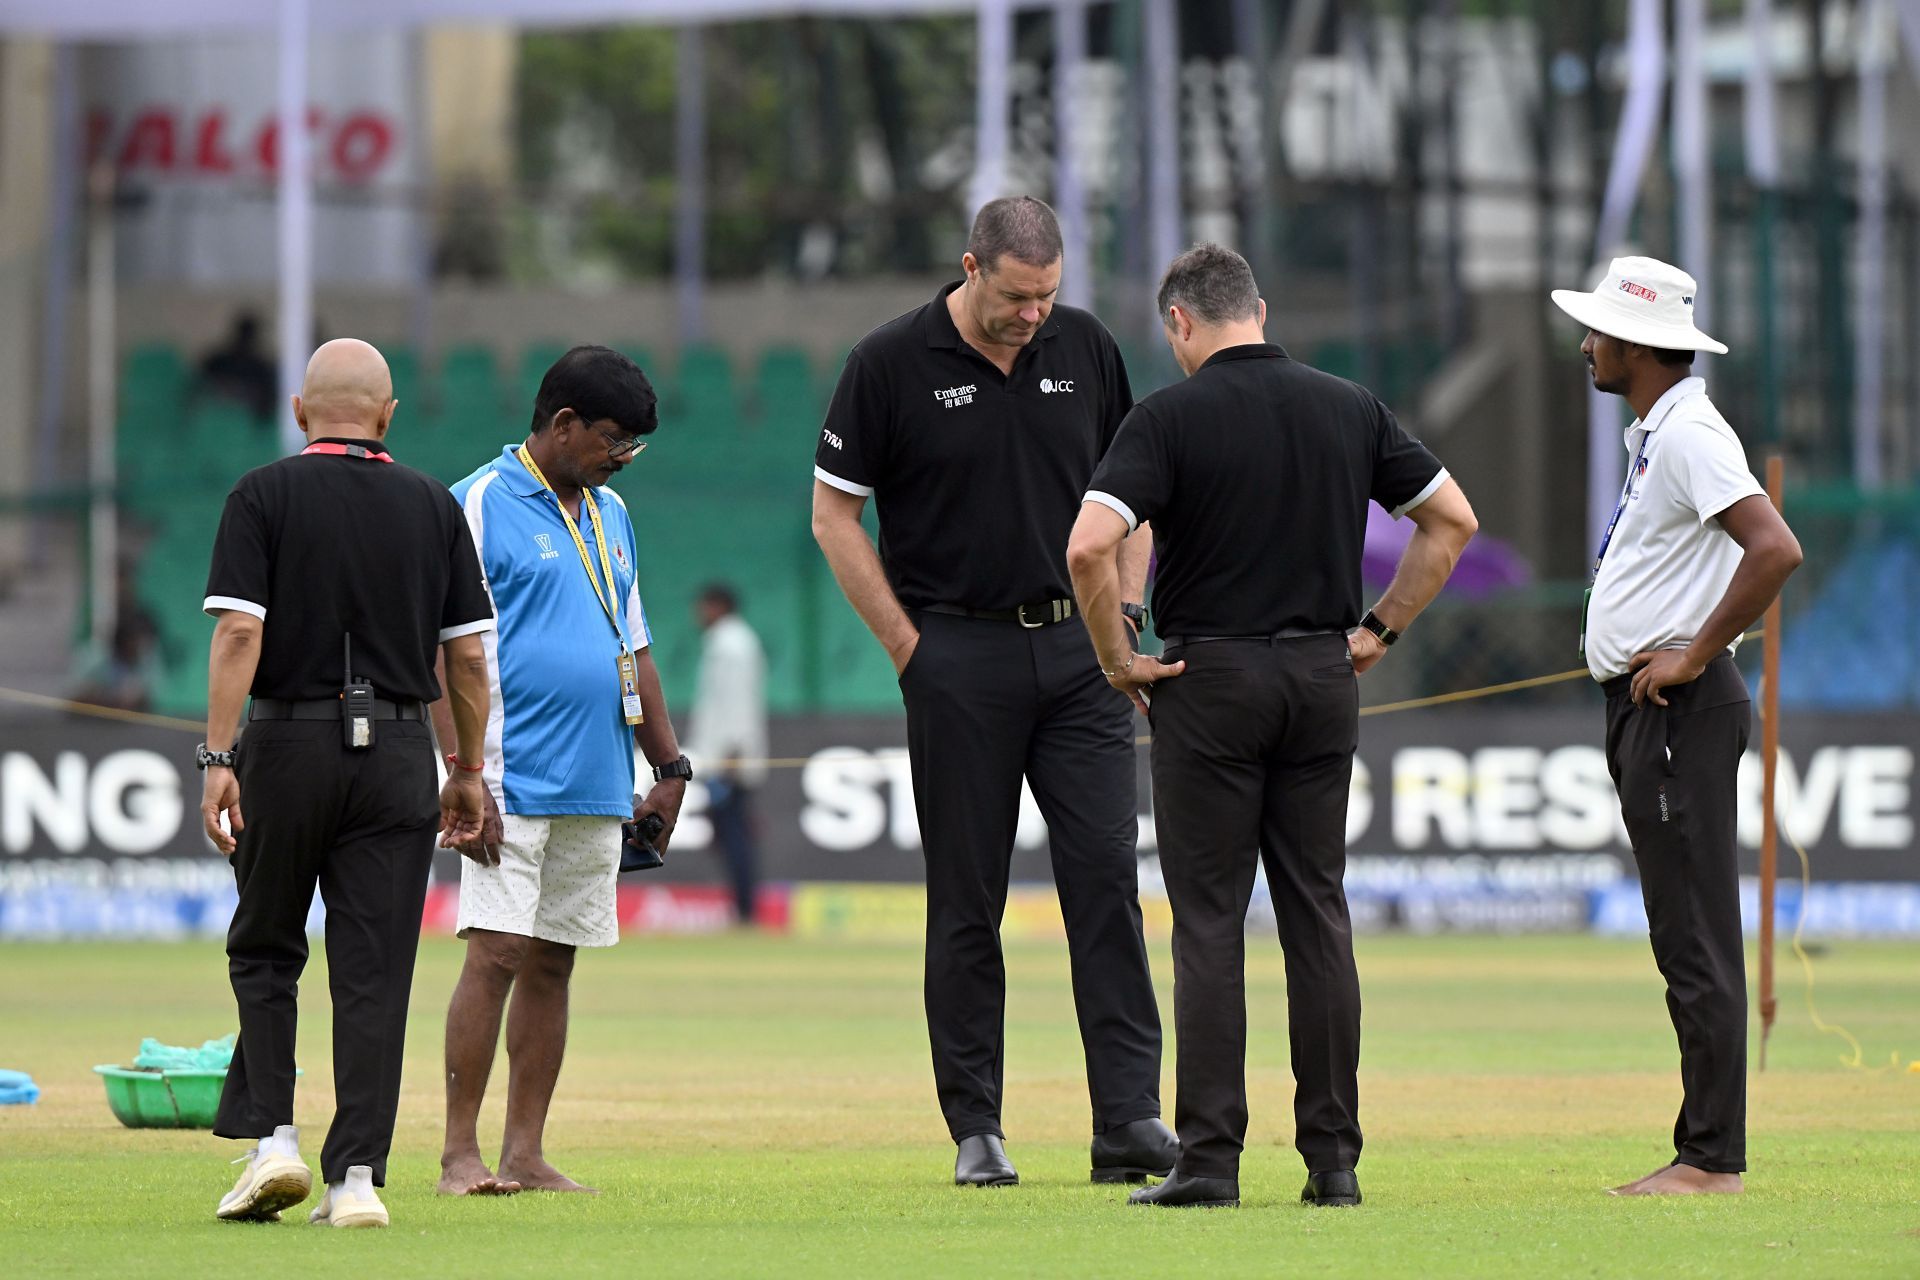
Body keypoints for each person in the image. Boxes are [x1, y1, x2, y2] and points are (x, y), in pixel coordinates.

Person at [1066, 244, 1479, 1210]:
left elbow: (1091, 542)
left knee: (1210, 923)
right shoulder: (1348, 405)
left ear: (1180, 323)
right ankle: (1333, 1162)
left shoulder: (1166, 417)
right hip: (1321, 674)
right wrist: (1380, 628)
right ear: (1261, 308)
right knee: (1318, 915)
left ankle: (1209, 1159)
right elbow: (1451, 521)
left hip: (1210, 678)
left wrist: (1115, 656)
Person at [812, 195, 1177, 1188]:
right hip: (956, 656)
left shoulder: (1088, 348)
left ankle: (1131, 1118)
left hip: (1081, 655)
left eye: (1048, 297)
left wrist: (1127, 615)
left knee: (1106, 882)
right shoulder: (890, 362)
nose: (1032, 316)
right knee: (965, 897)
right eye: (1017, 297)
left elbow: (1133, 498)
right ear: (971, 268)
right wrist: (905, 645)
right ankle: (976, 1124)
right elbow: (833, 515)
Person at [198, 338, 495, 1229]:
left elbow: (239, 638)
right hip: (400, 753)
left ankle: (274, 1142)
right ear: (387, 416)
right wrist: (467, 770)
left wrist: (218, 759)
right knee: (375, 973)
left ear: (299, 411)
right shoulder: (433, 505)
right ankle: (357, 1178)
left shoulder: (260, 494)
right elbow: (467, 660)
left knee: (266, 947)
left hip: (287, 743)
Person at [1551, 256, 1801, 1197]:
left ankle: (1710, 1160)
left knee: (1693, 937)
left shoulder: (1690, 433)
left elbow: (1775, 548)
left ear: (1642, 347)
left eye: (1601, 331)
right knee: (1683, 935)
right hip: (1654, 709)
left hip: (1678, 710)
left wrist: (1693, 654)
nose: (1586, 345)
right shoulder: (1663, 431)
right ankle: (1705, 1150)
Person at [433, 344, 691, 1198]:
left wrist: (669, 765)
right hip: (509, 773)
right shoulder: (474, 505)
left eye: (634, 448)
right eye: (613, 440)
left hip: (597, 776)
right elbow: (442, 653)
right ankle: (458, 1155)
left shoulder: (611, 514)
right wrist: (464, 769)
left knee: (555, 960)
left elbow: (635, 643)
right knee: (497, 950)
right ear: (563, 425)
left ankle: (525, 1152)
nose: (622, 459)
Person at [687, 583, 768, 925]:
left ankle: (746, 909)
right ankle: (743, 907)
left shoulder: (729, 644)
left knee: (734, 834)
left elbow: (734, 703)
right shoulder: (734, 641)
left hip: (729, 758)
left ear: (717, 606)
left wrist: (730, 754)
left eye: (703, 607)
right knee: (730, 833)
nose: (698, 616)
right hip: (727, 755)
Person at [195, 311, 279, 424]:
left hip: (249, 428)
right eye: (244, 334)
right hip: (214, 423)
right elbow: (198, 391)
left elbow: (267, 404)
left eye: (249, 336)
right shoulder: (217, 362)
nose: (245, 340)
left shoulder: (260, 368)